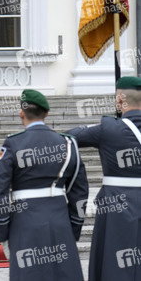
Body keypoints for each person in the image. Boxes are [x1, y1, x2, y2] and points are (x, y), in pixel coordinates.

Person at [0, 90, 88, 281]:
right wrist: (73, 228)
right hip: (60, 221)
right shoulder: (67, 143)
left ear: (21, 113)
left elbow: (0, 192)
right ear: (46, 114)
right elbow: (80, 192)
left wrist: (1, 231)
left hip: (25, 223)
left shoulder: (13, 143)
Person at [67, 76, 141, 281]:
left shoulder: (108, 128)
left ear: (119, 99)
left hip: (117, 201)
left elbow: (69, 137)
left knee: (114, 257)